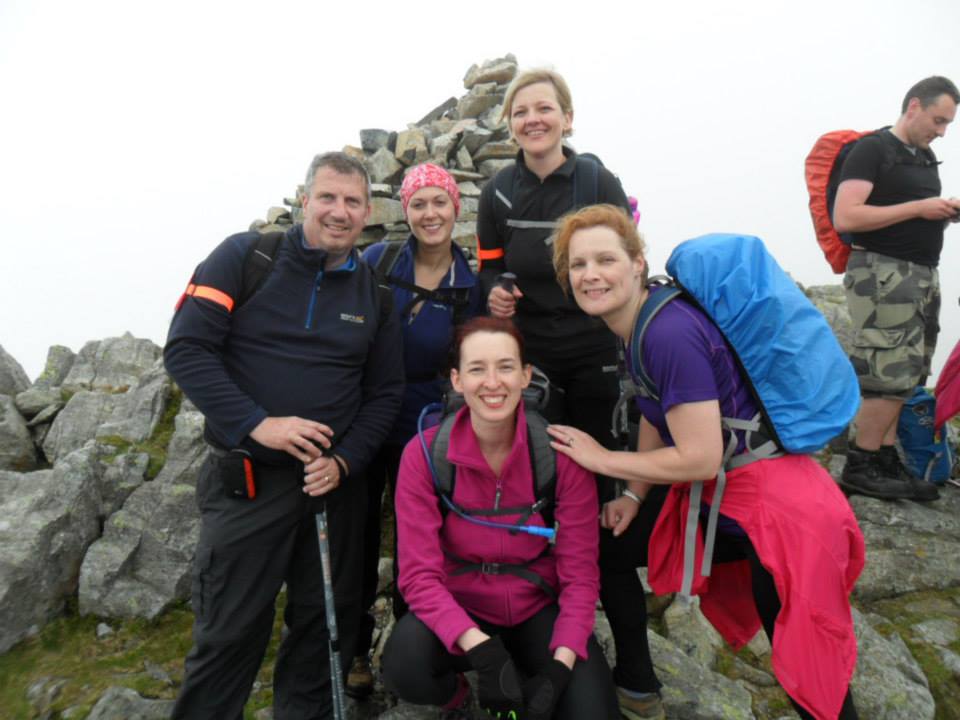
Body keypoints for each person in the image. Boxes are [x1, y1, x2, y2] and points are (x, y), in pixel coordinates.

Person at [549, 204, 865, 720]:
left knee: (810, 668)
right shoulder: (638, 322)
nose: (590, 275)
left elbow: (699, 457)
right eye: (578, 265)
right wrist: (633, 494)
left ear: (636, 262)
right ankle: (637, 685)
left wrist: (605, 459)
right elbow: (657, 408)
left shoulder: (668, 332)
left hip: (778, 514)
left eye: (605, 259)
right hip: (739, 498)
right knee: (608, 544)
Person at [164, 151, 404, 719]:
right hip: (248, 484)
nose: (338, 212)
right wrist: (257, 424)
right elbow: (187, 349)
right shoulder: (245, 258)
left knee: (324, 637)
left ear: (368, 210)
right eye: (327, 197)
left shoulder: (376, 295)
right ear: (304, 200)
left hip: (332, 491)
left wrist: (345, 462)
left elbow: (385, 395)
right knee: (227, 634)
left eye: (351, 201)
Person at [477, 67, 664, 718]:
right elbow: (489, 269)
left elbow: (619, 255)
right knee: (536, 494)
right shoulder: (498, 192)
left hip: (598, 358)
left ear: (567, 117)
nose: (534, 119)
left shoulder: (594, 180)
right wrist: (496, 293)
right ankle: (544, 645)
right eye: (521, 111)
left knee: (608, 506)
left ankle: (635, 671)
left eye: (545, 109)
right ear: (509, 125)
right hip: (533, 362)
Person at [381, 317, 619, 720]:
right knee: (405, 667)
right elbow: (418, 575)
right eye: (477, 369)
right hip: (461, 602)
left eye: (506, 366)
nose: (493, 382)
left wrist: (559, 671)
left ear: (526, 376)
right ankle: (461, 698)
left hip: (535, 603)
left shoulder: (560, 456)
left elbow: (580, 576)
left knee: (593, 712)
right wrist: (483, 653)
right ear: (456, 380)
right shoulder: (423, 455)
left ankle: (533, 677)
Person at [348, 163, 483, 698]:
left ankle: (415, 648)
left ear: (455, 208)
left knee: (418, 544)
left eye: (439, 202)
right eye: (419, 204)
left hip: (429, 425)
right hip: (367, 416)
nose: (430, 213)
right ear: (406, 211)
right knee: (355, 537)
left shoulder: (470, 282)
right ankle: (355, 650)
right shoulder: (377, 261)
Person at [833, 75, 960, 502]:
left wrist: (941, 212)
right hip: (883, 274)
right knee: (887, 371)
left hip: (920, 274)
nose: (942, 131)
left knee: (908, 371)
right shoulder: (873, 149)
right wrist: (921, 208)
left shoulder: (922, 157)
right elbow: (847, 217)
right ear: (913, 107)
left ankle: (885, 457)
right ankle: (861, 462)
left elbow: (909, 214)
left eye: (948, 124)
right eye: (938, 120)